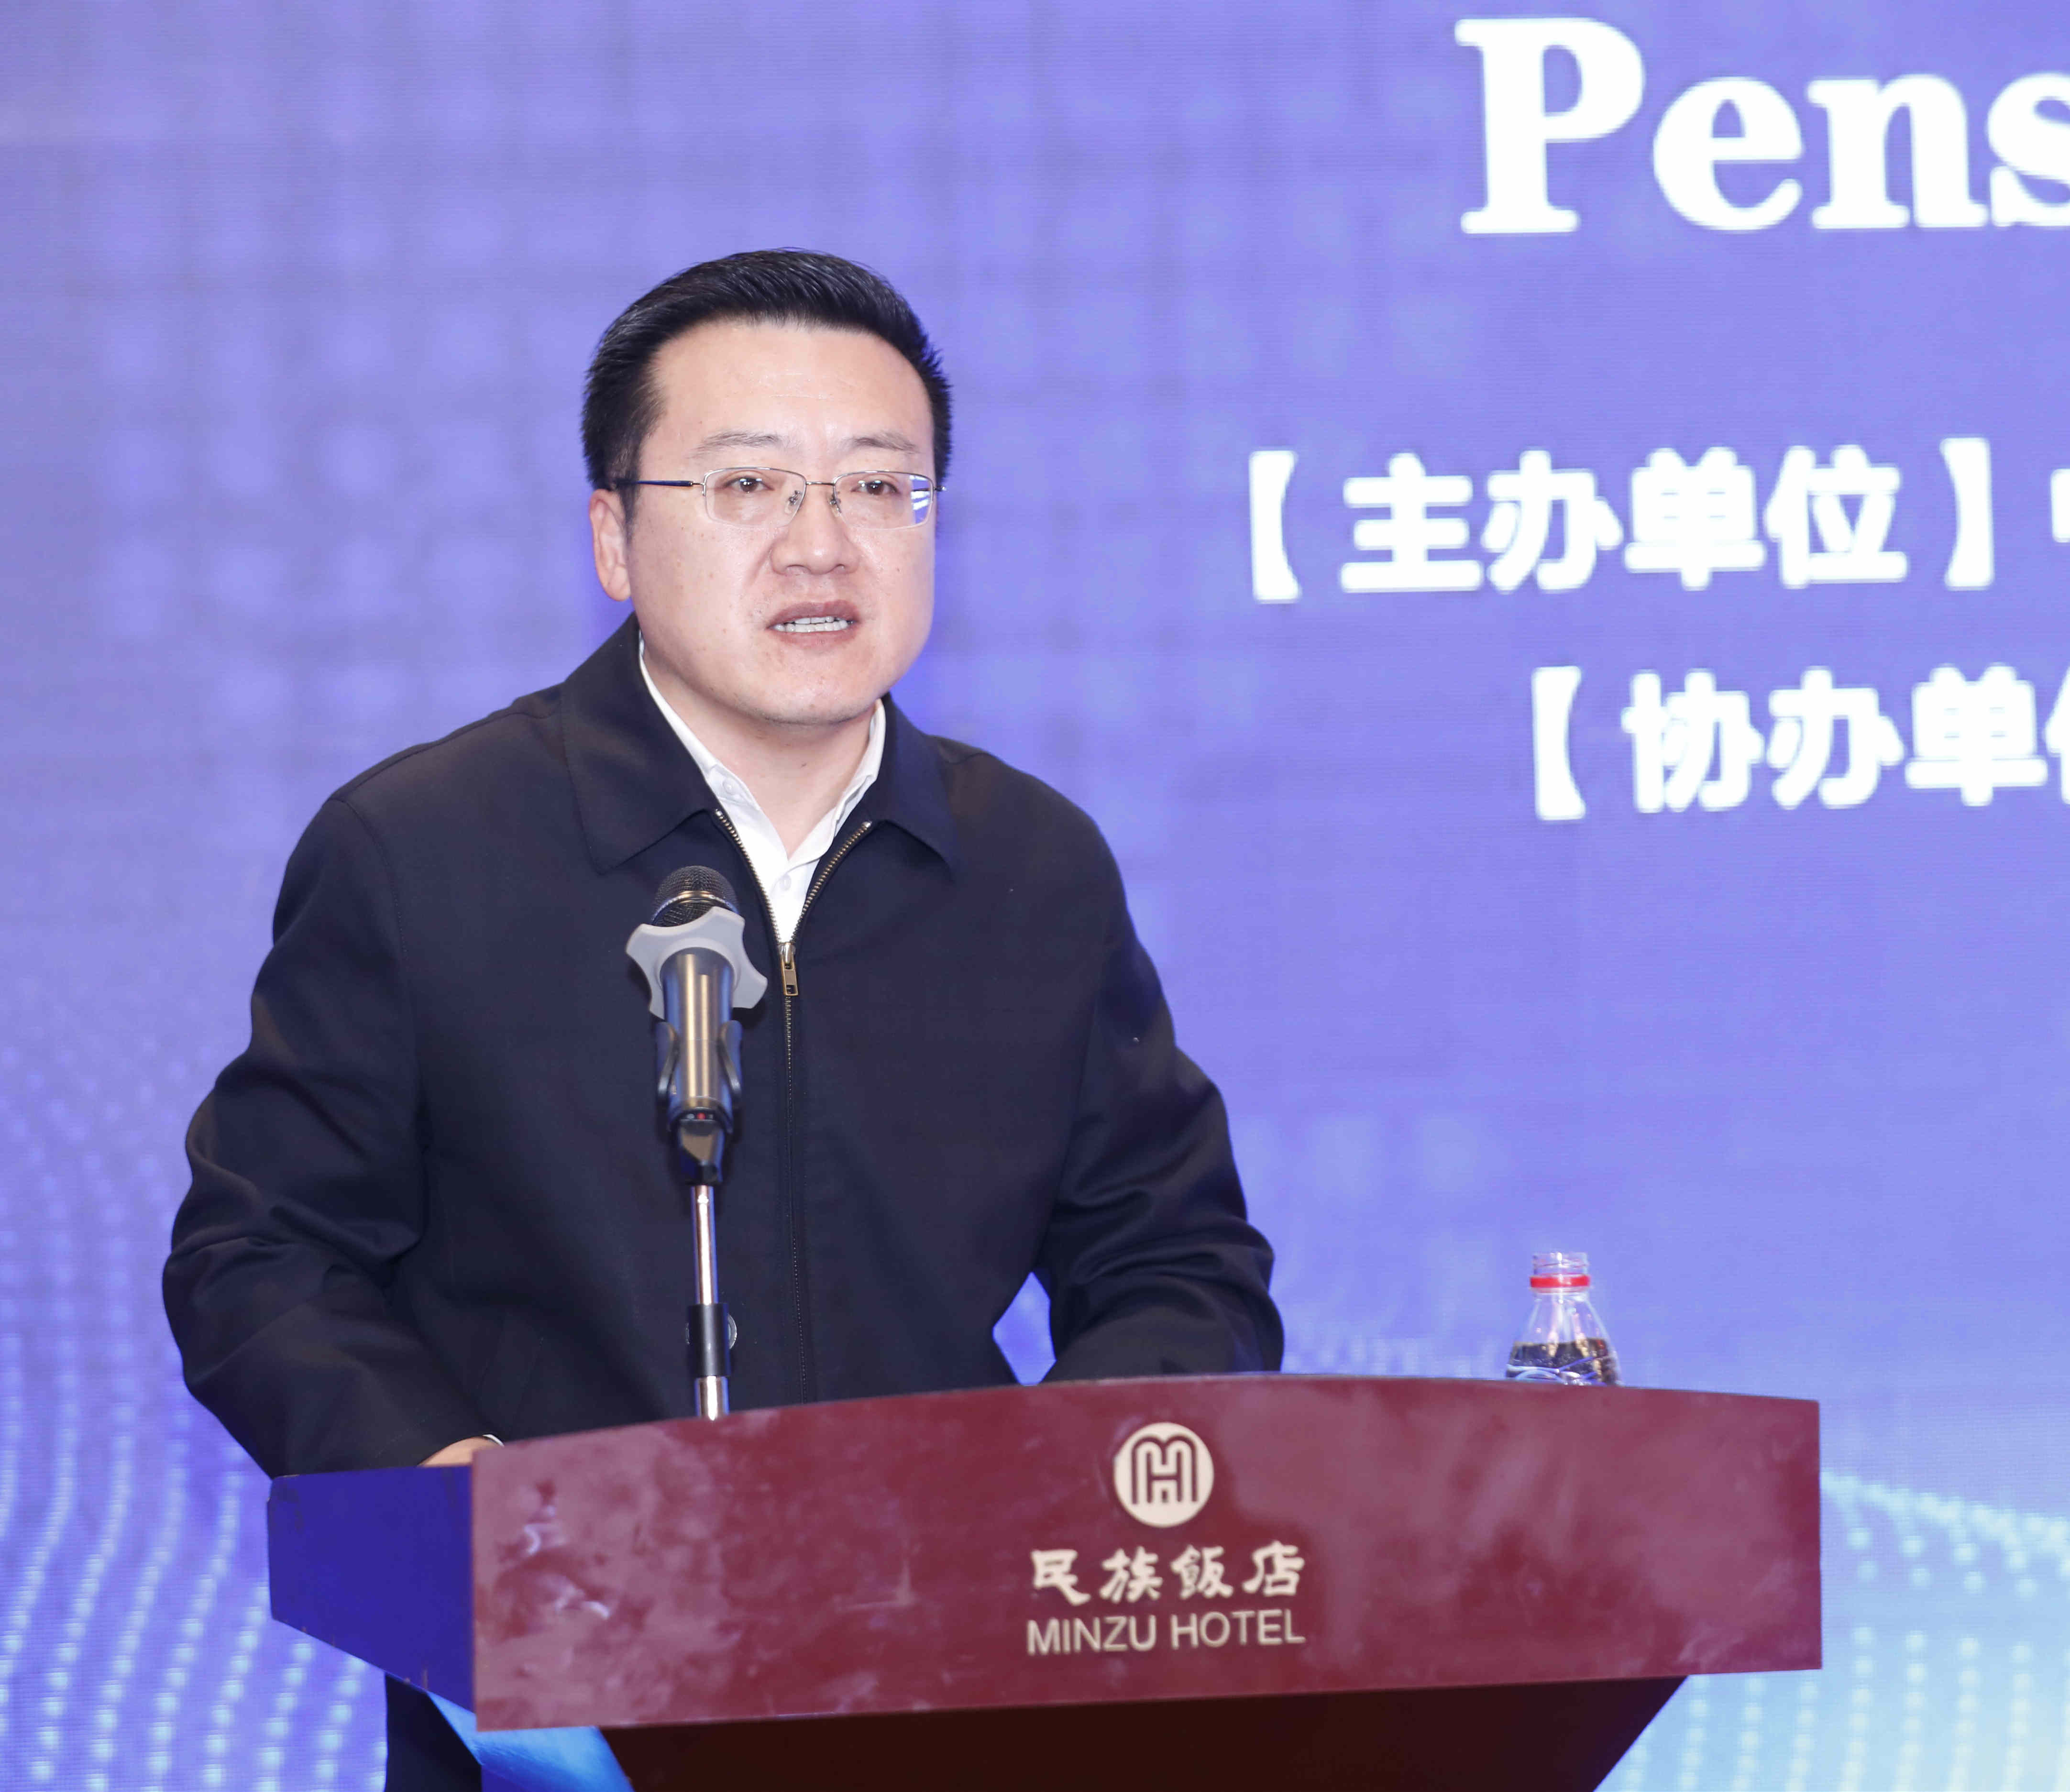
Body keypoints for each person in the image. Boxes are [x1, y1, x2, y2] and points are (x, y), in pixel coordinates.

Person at [164, 249, 1283, 1790]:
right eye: (749, 485)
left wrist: (1051, 1493)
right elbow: (261, 1253)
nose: (823, 543)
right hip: (560, 1706)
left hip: (957, 1692)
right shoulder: (424, 849)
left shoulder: (1030, 866)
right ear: (614, 536)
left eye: (881, 488)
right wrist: (449, 1489)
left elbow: (1177, 1259)